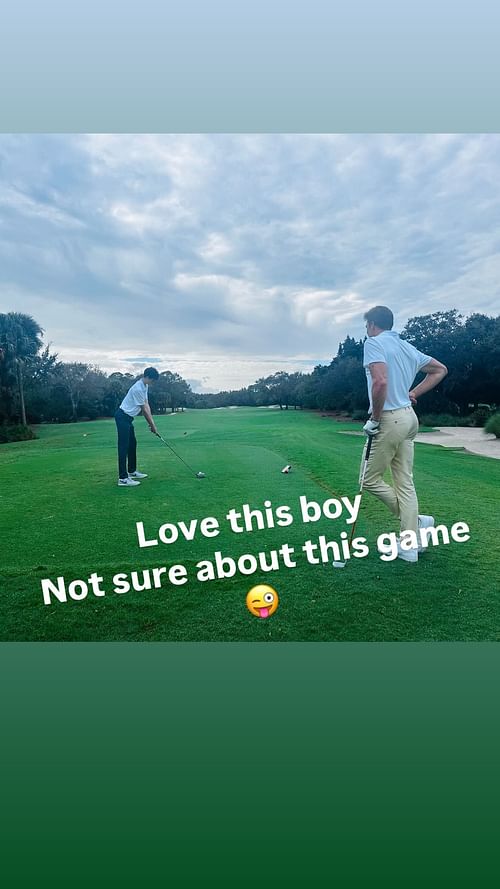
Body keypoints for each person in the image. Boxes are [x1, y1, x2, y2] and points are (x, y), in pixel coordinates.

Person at [361, 306, 447, 562]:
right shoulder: (407, 347)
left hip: (389, 419)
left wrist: (375, 418)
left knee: (368, 480)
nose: (366, 330)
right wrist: (413, 394)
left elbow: (380, 382)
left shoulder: (373, 343)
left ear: (373, 325)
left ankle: (416, 522)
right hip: (409, 417)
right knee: (404, 482)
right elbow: (440, 369)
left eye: (367, 325)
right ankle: (409, 544)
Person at [115, 367, 159, 487]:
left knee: (132, 444)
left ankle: (132, 471)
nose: (153, 383)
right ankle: (123, 478)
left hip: (128, 419)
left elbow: (146, 404)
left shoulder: (145, 386)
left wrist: (152, 424)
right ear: (148, 377)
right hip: (122, 417)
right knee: (123, 447)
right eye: (153, 380)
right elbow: (144, 410)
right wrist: (152, 426)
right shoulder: (137, 388)